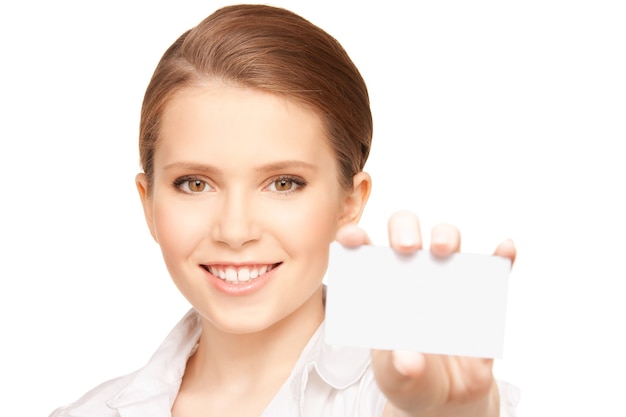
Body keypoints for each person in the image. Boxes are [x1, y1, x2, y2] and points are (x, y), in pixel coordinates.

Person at [50, 4, 519, 417]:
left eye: (282, 183)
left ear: (349, 202)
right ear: (148, 203)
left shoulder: (403, 394)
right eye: (195, 183)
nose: (235, 230)